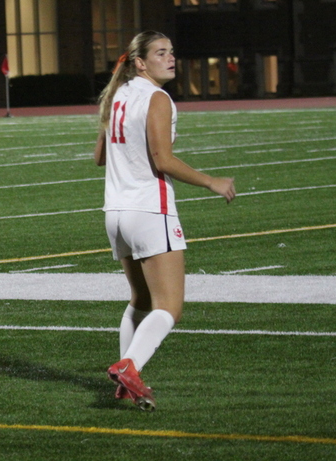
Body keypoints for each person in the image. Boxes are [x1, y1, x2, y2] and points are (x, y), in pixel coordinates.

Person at [94, 31, 236, 411]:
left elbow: (100, 157)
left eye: (172, 51)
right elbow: (163, 160)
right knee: (169, 307)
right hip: (148, 210)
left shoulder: (118, 95)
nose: (171, 58)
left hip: (115, 213)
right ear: (140, 62)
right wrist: (211, 181)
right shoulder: (157, 98)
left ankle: (127, 378)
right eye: (161, 53)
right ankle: (129, 366)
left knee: (141, 299)